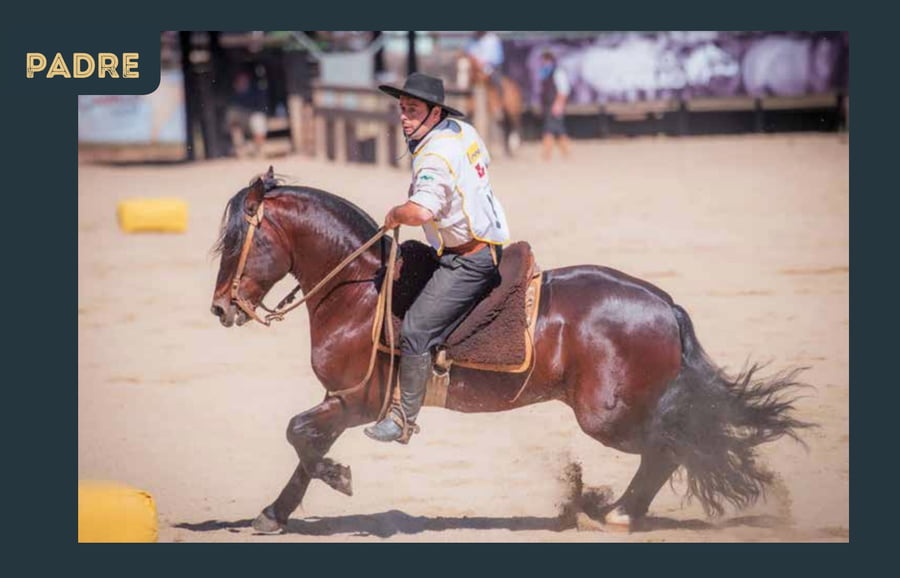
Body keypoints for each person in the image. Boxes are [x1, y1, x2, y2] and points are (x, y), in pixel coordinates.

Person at [364, 73, 511, 444]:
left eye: (413, 110)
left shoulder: (433, 154)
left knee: (415, 329)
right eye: (402, 109)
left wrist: (396, 213)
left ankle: (403, 418)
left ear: (434, 112)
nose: (404, 117)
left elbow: (420, 212)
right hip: (481, 242)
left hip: (469, 260)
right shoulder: (462, 131)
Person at [226, 69, 268, 158]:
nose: (243, 82)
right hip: (239, 123)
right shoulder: (232, 97)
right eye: (240, 81)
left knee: (258, 120)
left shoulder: (255, 93)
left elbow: (261, 109)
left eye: (244, 80)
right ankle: (241, 152)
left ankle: (259, 150)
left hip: (252, 119)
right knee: (235, 127)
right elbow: (230, 116)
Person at [538, 50, 571, 161]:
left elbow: (563, 90)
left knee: (552, 130)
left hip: (555, 105)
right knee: (555, 130)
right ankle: (561, 154)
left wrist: (558, 104)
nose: (543, 63)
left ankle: (550, 154)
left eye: (544, 61)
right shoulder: (545, 73)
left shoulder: (558, 72)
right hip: (548, 105)